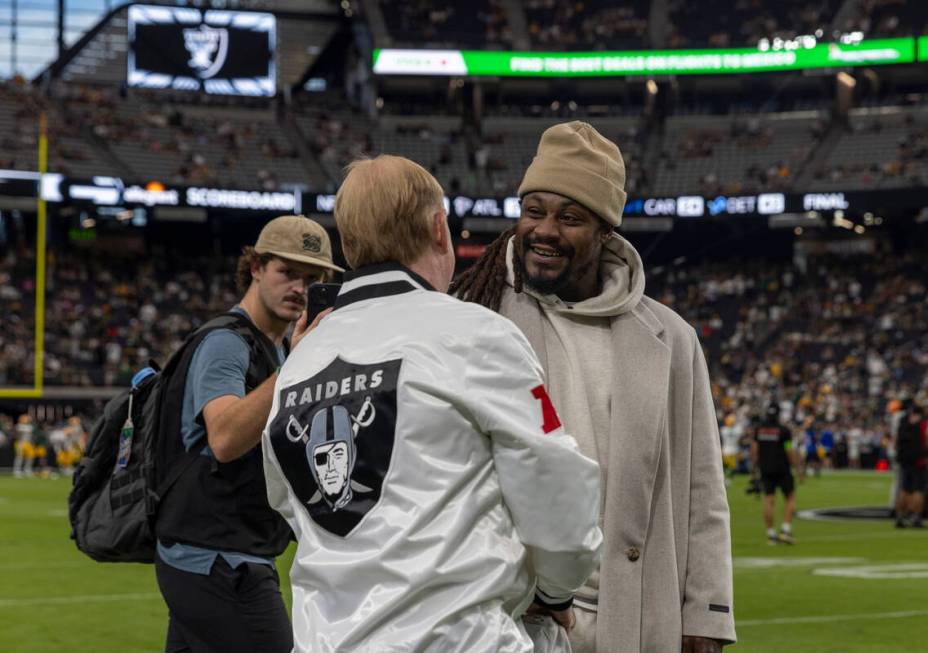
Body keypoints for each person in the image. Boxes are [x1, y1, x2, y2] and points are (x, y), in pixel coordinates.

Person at [262, 155, 602, 653]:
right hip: (458, 638)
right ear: (439, 230)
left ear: (349, 246)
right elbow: (554, 479)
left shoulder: (299, 362)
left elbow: (289, 504)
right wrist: (554, 590)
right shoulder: (473, 333)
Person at [452, 121, 735, 653]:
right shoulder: (475, 314)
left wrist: (708, 614)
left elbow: (703, 490)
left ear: (606, 230)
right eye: (533, 211)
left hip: (637, 613)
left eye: (570, 218)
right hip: (509, 613)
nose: (545, 231)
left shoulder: (671, 338)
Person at [153, 215, 342, 653]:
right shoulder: (227, 342)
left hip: (218, 552)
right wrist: (296, 364)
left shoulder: (274, 346)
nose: (300, 287)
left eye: (312, 279)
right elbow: (224, 437)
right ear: (255, 268)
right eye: (287, 272)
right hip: (218, 557)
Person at [750, 403, 802, 544]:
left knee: (768, 500)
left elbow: (754, 450)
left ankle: (771, 534)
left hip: (765, 468)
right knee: (790, 497)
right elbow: (789, 450)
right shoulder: (784, 431)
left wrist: (753, 470)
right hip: (783, 469)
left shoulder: (759, 430)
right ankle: (785, 530)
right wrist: (798, 469)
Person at [895, 400, 928, 528]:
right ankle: (916, 517)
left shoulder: (902, 421)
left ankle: (900, 517)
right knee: (918, 490)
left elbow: (897, 440)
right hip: (918, 460)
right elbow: (927, 440)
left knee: (904, 489)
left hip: (904, 459)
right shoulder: (923, 423)